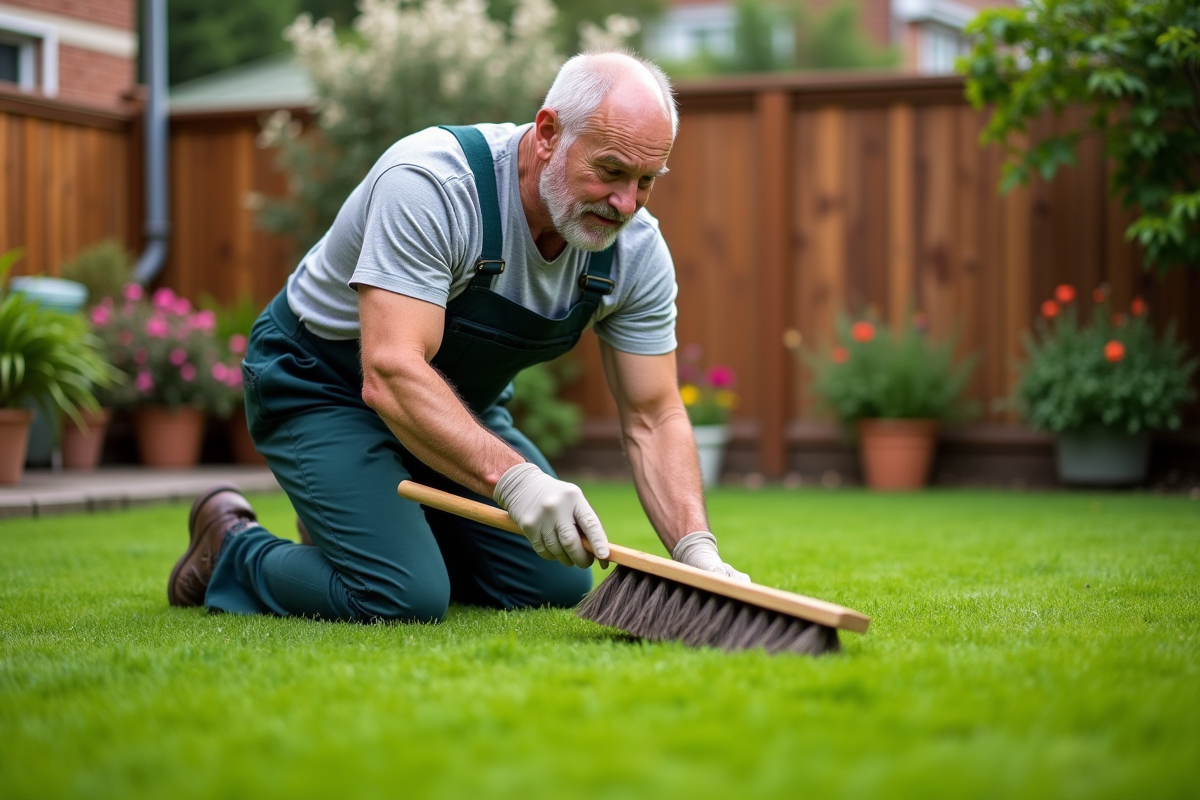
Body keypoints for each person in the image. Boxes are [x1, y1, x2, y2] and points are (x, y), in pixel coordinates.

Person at [167, 50, 748, 623]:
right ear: (547, 133)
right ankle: (229, 548)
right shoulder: (433, 183)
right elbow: (391, 370)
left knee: (553, 580)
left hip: (457, 410)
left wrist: (695, 550)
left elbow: (653, 414)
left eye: (647, 180)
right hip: (321, 386)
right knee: (403, 596)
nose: (626, 204)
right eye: (611, 171)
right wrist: (516, 478)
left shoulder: (635, 250)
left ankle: (362, 532)